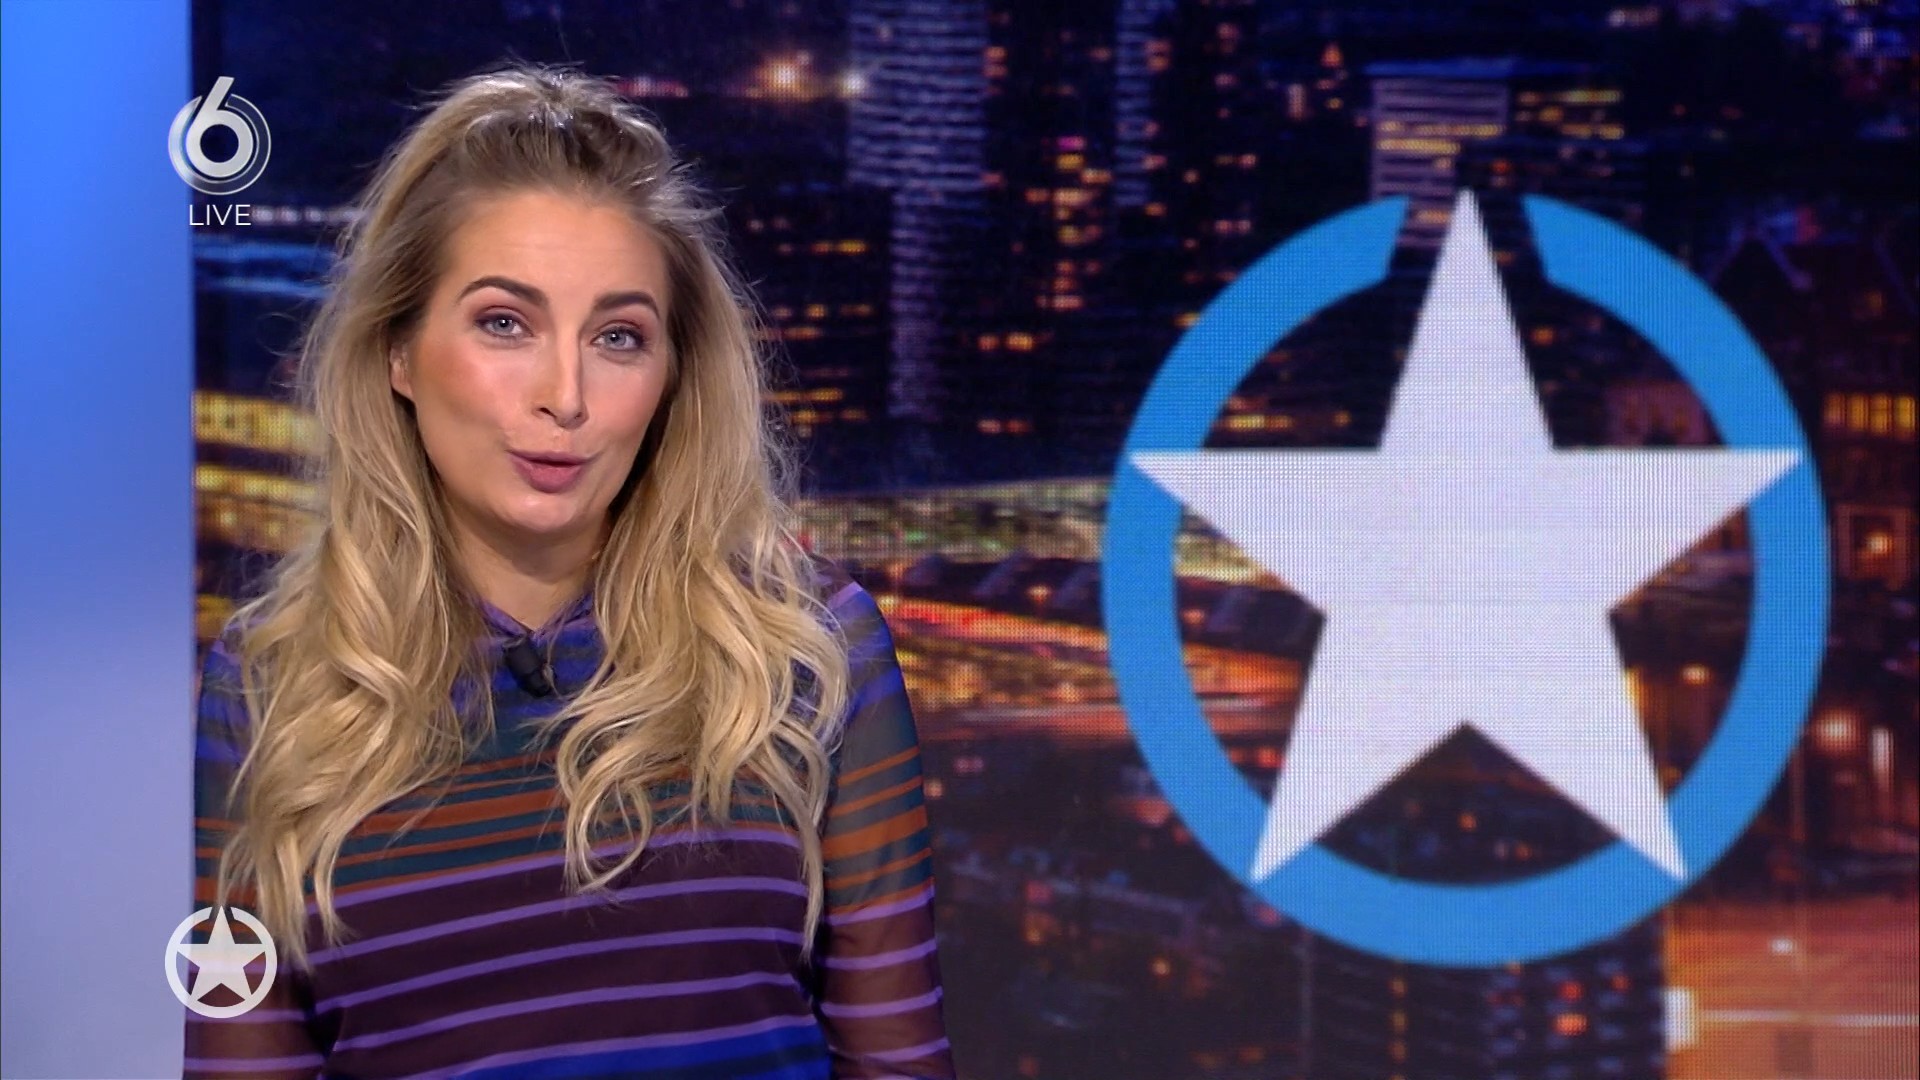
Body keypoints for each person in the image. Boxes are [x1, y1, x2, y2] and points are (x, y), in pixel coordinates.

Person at [184, 64, 953, 1079]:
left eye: (619, 337)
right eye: (505, 322)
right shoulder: (269, 683)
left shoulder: (811, 651)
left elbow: (899, 1059)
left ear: (671, 377)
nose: (567, 395)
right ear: (399, 352)